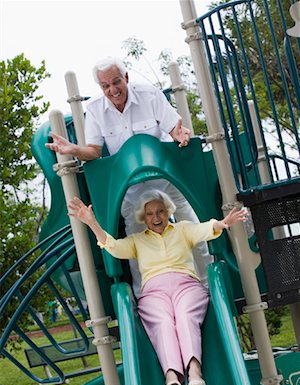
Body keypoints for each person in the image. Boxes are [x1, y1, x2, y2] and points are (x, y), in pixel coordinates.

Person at [45, 56, 212, 297]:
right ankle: (146, 293)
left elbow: (173, 127)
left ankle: (206, 283)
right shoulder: (94, 110)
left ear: (126, 78)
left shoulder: (149, 95)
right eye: (105, 86)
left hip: (166, 178)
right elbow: (94, 151)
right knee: (135, 235)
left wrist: (180, 133)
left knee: (190, 221)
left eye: (116, 82)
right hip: (131, 188)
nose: (112, 90)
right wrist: (73, 149)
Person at [68, 190, 247, 385]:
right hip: (154, 293)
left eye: (160, 211)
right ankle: (171, 375)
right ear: (143, 218)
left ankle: (194, 371)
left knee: (185, 316)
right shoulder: (137, 240)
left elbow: (205, 229)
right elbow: (113, 247)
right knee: (162, 323)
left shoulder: (182, 230)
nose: (156, 217)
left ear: (168, 211)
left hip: (186, 286)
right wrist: (92, 223)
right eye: (150, 214)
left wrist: (223, 223)